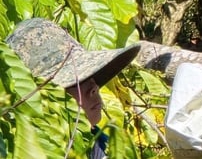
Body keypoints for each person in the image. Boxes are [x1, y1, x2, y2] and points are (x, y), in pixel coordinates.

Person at [5, 17, 141, 159]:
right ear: (44, 96)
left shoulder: (102, 146)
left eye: (92, 75)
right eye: (78, 80)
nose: (94, 88)